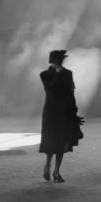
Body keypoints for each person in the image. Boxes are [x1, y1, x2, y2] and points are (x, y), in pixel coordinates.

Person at [39, 50, 83, 183]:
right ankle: (47, 164)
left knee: (63, 142)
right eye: (57, 60)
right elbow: (51, 90)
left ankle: (57, 171)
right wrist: (58, 74)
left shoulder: (69, 73)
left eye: (61, 60)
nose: (60, 62)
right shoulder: (45, 74)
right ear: (52, 61)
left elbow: (71, 93)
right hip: (51, 112)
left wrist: (74, 113)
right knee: (50, 140)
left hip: (65, 112)